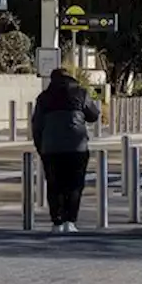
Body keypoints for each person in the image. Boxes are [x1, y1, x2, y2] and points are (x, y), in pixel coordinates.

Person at [31, 67, 101, 233]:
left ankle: (57, 221)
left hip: (51, 148)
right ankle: (71, 221)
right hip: (77, 147)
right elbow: (94, 115)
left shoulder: (44, 98)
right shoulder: (80, 93)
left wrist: (41, 148)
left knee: (54, 185)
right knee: (75, 185)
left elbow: (37, 126)